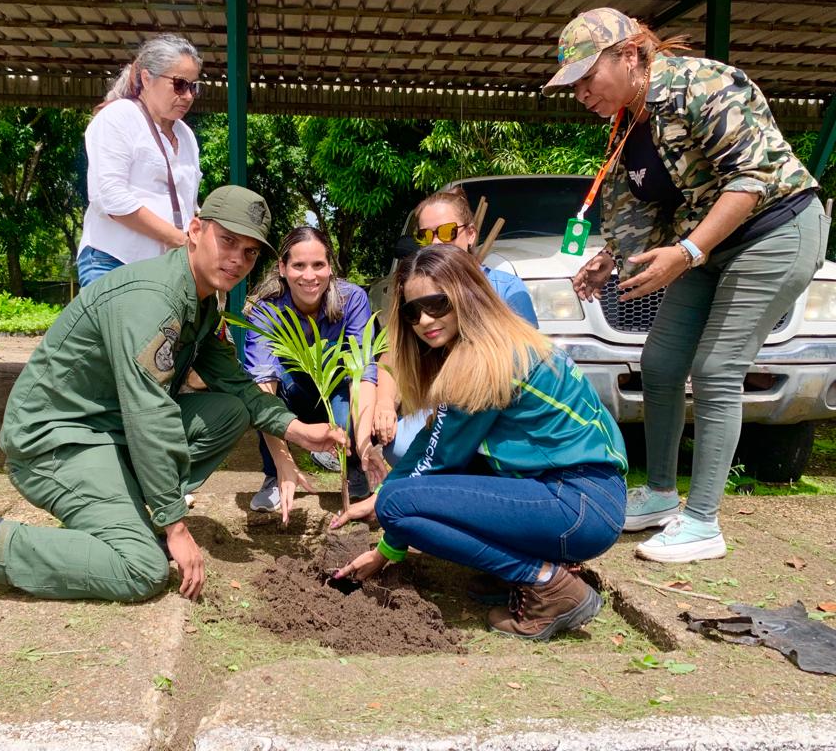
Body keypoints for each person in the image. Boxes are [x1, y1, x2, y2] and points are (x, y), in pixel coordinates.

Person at [0, 186, 347, 618]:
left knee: (228, 413)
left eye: (250, 252)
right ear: (195, 230)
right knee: (142, 569)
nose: (237, 259)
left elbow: (237, 386)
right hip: (57, 442)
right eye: (227, 241)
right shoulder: (152, 300)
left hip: (106, 434)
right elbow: (148, 415)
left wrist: (297, 430)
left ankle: (134, 517)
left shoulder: (201, 299)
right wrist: (175, 524)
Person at [544, 8, 828, 563]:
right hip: (708, 246)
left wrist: (689, 251)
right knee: (662, 362)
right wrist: (610, 259)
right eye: (571, 85)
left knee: (718, 368)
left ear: (629, 56)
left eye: (585, 78)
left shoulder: (706, 84)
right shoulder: (627, 124)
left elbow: (752, 180)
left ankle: (703, 524)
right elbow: (639, 212)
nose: (579, 93)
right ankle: (660, 495)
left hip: (777, 229)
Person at [332, 244, 627, 641]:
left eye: (436, 304)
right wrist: (388, 513)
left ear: (465, 293)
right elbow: (429, 444)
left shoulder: (487, 359)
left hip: (577, 505)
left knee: (397, 503)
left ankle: (546, 583)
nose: (423, 320)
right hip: (581, 498)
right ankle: (516, 572)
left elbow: (438, 462)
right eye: (411, 311)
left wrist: (387, 533)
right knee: (401, 495)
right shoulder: (494, 343)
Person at [364, 187, 539, 464]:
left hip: (496, 410)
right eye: (425, 235)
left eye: (446, 232)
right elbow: (394, 354)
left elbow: (524, 369)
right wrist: (385, 403)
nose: (436, 242)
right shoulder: (414, 290)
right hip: (441, 407)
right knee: (397, 445)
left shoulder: (504, 290)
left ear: (470, 234)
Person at [242, 226, 375, 512]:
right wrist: (283, 462)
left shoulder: (352, 300)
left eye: (318, 265)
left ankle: (353, 468)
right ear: (282, 267)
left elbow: (361, 375)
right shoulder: (267, 309)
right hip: (291, 394)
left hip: (337, 391)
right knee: (263, 392)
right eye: (299, 265)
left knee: (350, 399)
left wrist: (363, 446)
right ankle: (274, 477)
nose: (309, 276)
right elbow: (263, 388)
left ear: (330, 267)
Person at [77, 34, 204, 287]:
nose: (188, 95)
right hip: (113, 262)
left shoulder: (185, 134)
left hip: (165, 270)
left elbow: (188, 203)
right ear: (147, 78)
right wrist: (180, 240)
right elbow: (111, 198)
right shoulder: (119, 117)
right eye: (179, 84)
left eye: (194, 86)